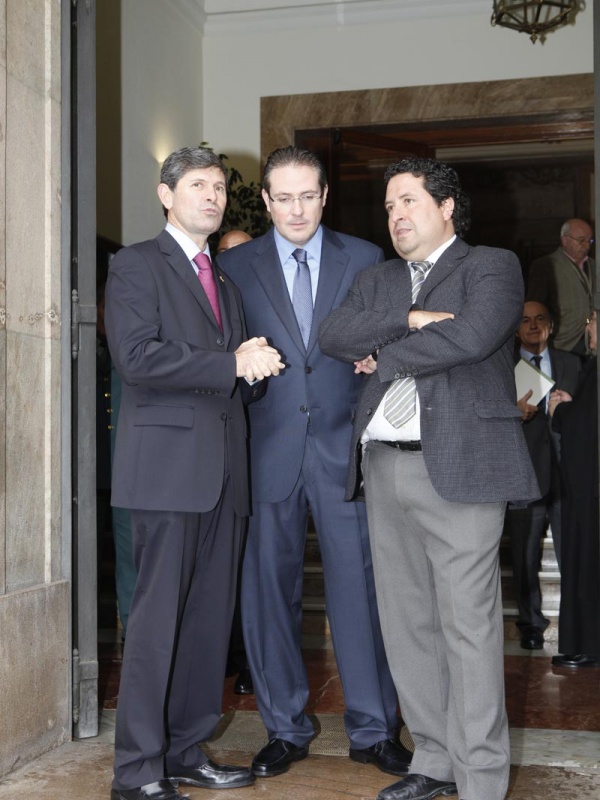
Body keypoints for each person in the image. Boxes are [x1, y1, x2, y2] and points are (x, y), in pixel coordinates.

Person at [319, 156, 539, 800]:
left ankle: (481, 779)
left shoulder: (491, 266)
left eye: (408, 201)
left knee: (468, 629)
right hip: (384, 465)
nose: (396, 215)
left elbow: (471, 338)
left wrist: (384, 354)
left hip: (463, 466)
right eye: (389, 206)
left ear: (446, 207)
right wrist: (412, 320)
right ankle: (435, 760)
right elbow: (334, 334)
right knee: (407, 624)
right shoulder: (379, 279)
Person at [218, 145, 409, 781]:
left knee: (360, 590)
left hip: (343, 450)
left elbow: (387, 343)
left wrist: (379, 362)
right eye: (284, 197)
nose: (296, 210)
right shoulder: (234, 266)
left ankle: (375, 729)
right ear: (265, 200)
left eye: (308, 196)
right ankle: (285, 727)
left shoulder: (366, 258)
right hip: (265, 450)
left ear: (325, 196)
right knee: (266, 594)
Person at [105, 146, 285, 800]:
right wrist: (230, 363)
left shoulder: (225, 283)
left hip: (224, 477)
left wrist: (254, 368)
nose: (212, 196)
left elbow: (228, 377)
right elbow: (137, 358)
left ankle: (184, 750)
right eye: (198, 185)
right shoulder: (136, 264)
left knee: (207, 625)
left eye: (218, 188)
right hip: (166, 474)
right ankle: (136, 770)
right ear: (166, 194)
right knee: (156, 628)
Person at [505, 301, 580, 650]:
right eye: (525, 320)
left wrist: (570, 408)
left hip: (568, 474)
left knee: (574, 552)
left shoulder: (572, 363)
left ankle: (576, 624)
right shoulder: (502, 366)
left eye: (539, 319)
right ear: (516, 329)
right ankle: (531, 624)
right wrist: (512, 412)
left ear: (551, 325)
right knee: (524, 555)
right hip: (525, 474)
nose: (533, 326)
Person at [549, 312, 600, 668]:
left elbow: (586, 426)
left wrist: (559, 412)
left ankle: (590, 645)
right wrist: (572, 406)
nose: (587, 327)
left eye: (593, 319)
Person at [217, 227, 255, 697]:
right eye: (225, 254)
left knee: (253, 568)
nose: (232, 261)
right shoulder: (214, 297)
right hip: (216, 448)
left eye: (240, 253)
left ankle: (247, 659)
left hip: (260, 450)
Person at [527, 218, 595, 356]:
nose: (587, 245)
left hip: (590, 343)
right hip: (561, 344)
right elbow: (535, 306)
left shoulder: (595, 265)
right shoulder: (545, 266)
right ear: (564, 240)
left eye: (590, 241)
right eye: (581, 240)